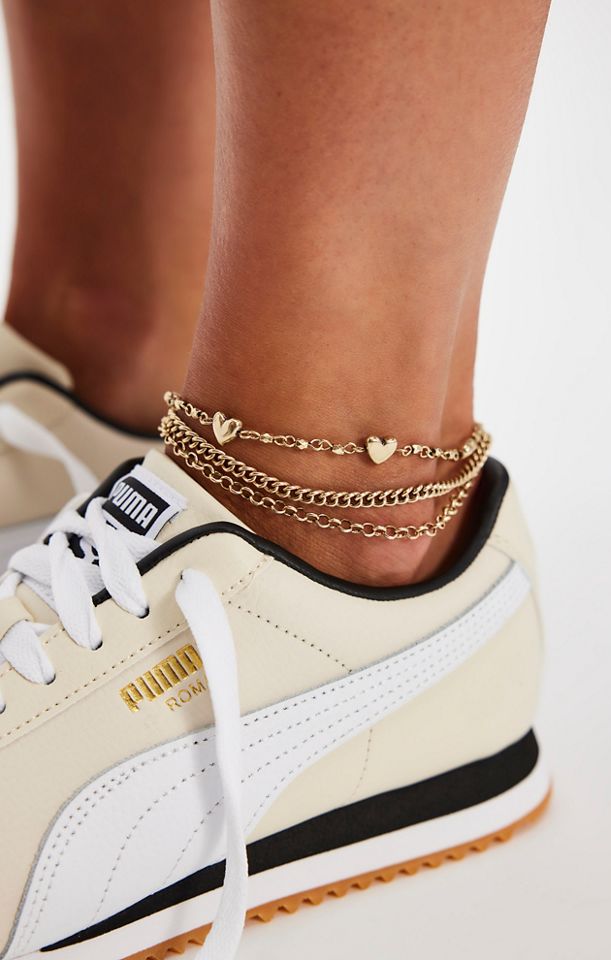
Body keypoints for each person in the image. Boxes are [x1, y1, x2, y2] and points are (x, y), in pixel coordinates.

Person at [0, 3, 551, 959]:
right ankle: (107, 341)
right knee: (108, 309)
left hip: (351, 535)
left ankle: (346, 525)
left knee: (328, 443)